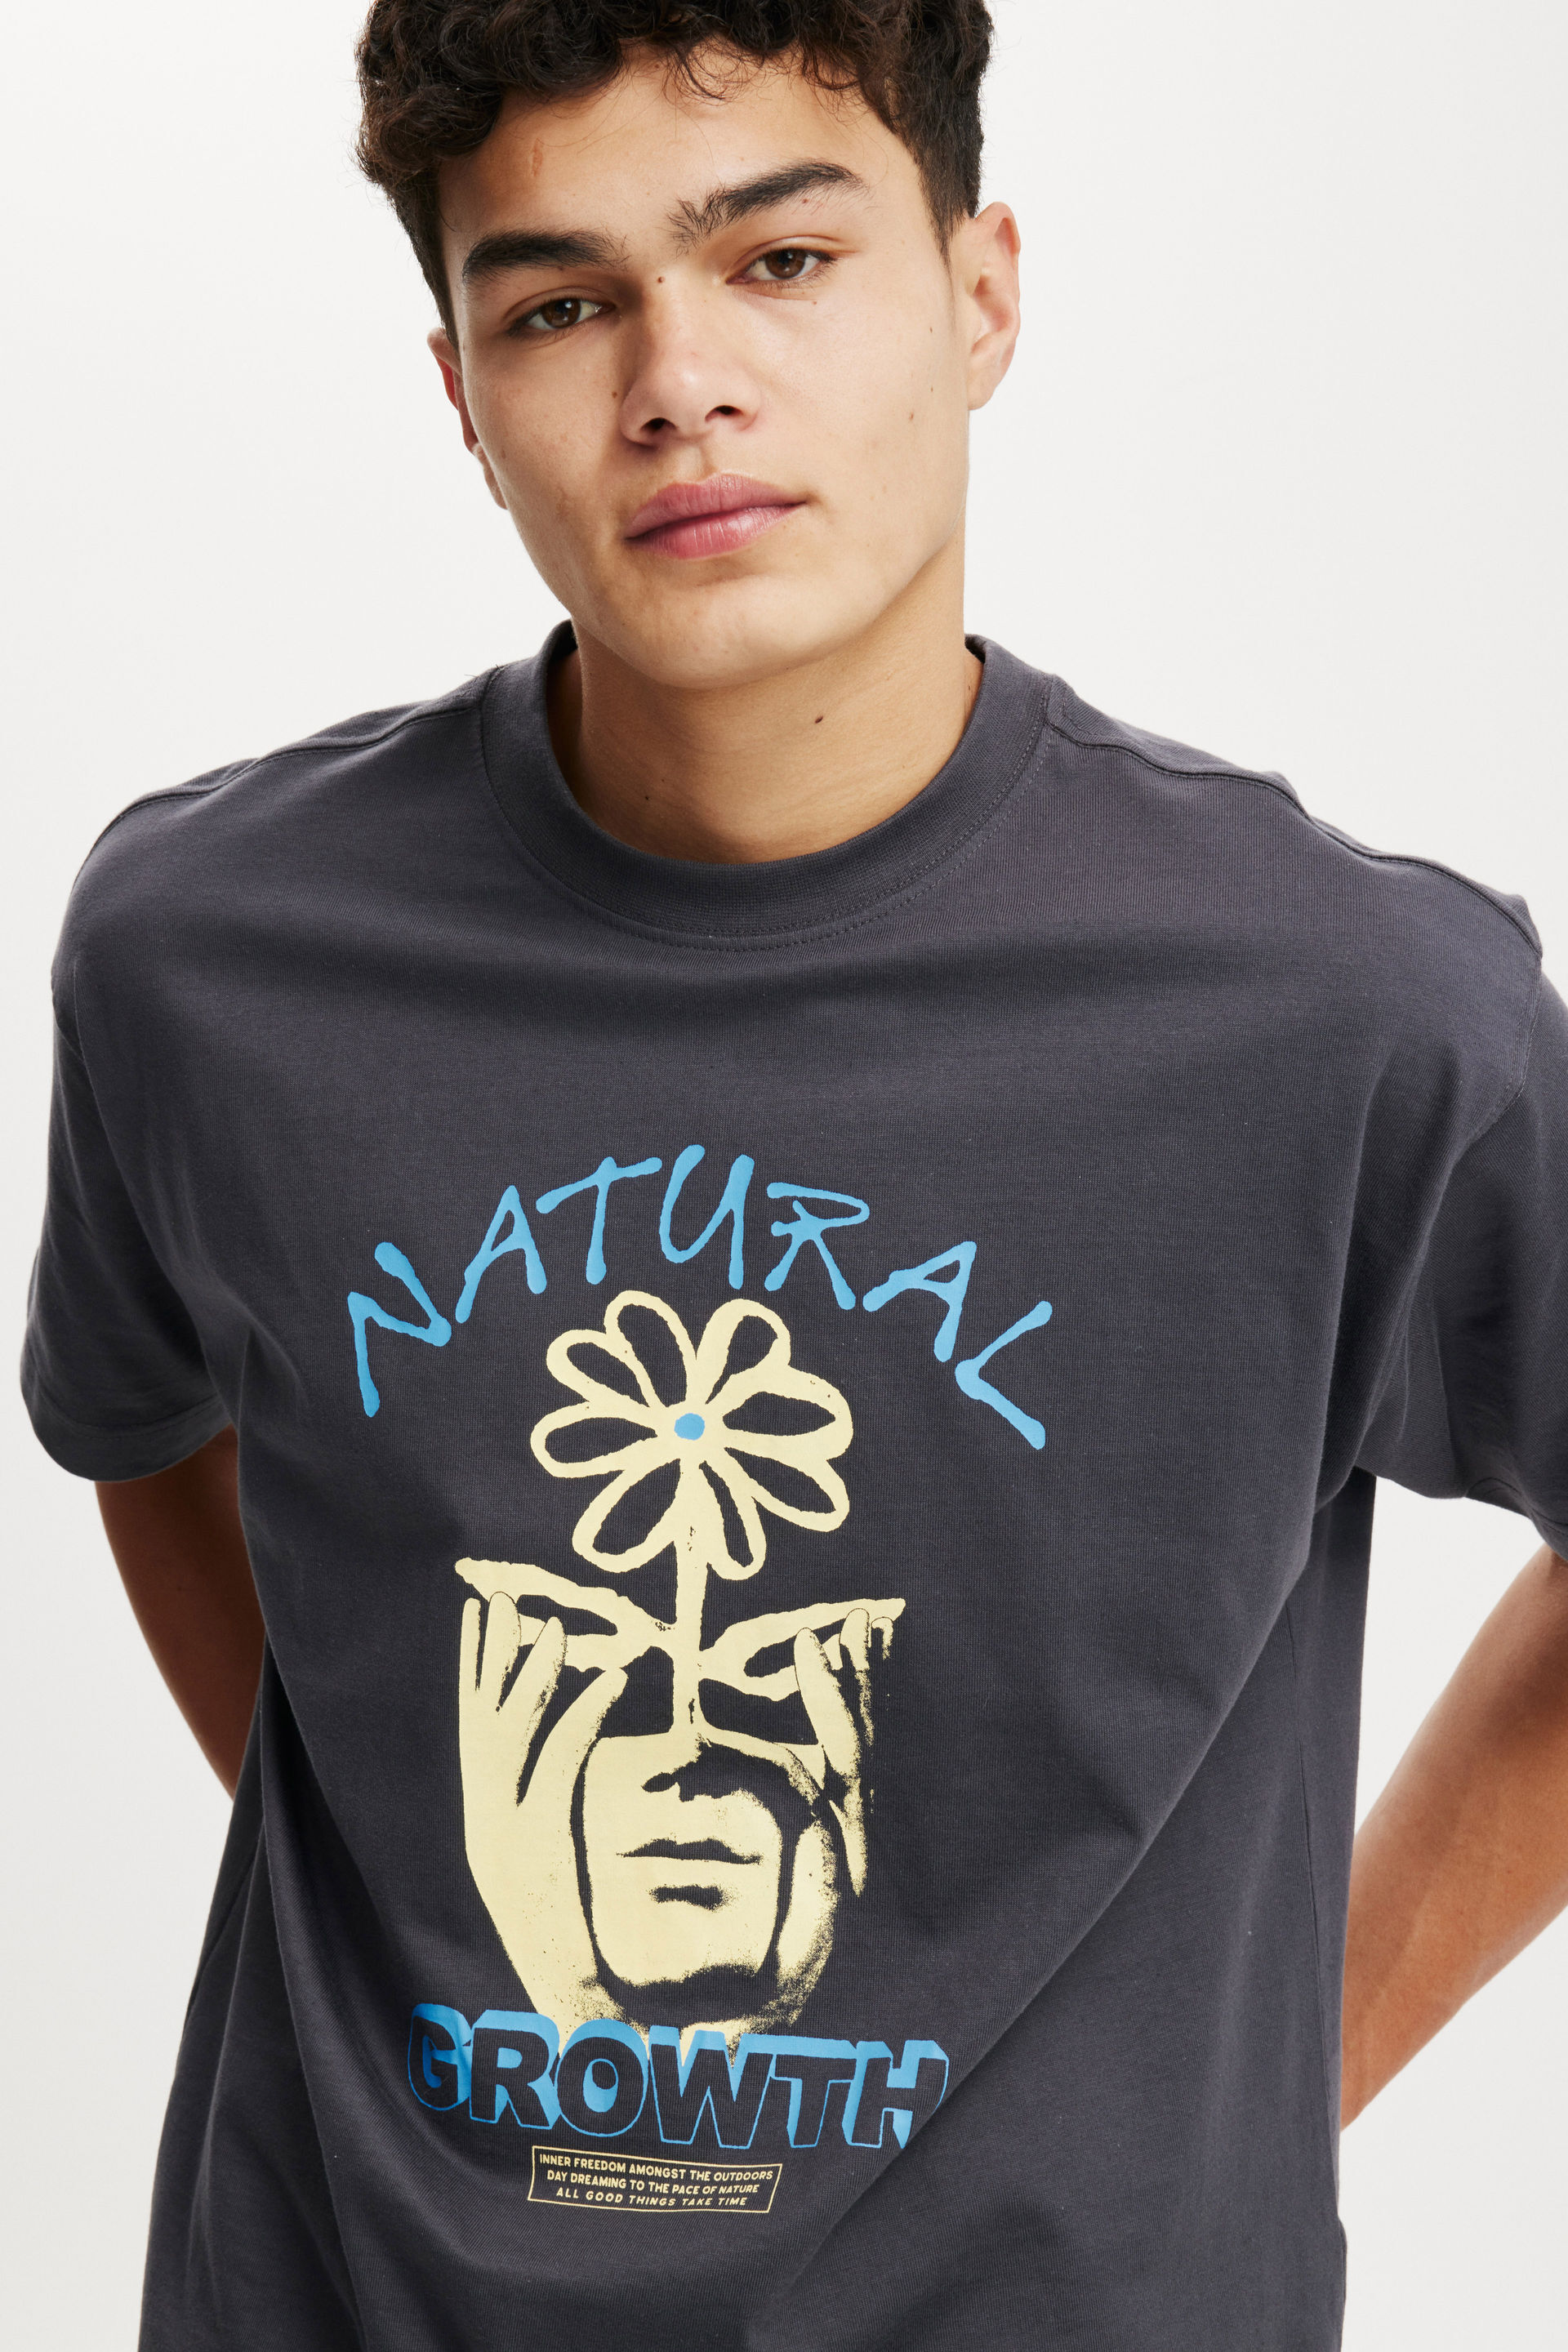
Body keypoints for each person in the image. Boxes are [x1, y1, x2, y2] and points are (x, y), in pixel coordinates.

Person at [20, 2, 1568, 2345]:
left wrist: (1284, 2064)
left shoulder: (1349, 1014)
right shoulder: (207, 959)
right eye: (562, 305)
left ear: (982, 296)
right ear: (461, 394)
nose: (679, 384)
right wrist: (445, 1877)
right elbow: (149, 1434)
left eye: (781, 261)